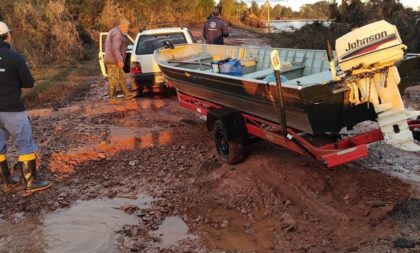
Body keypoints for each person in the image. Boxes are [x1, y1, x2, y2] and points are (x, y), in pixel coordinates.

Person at [0, 21, 51, 193]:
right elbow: (29, 83)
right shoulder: (15, 58)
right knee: (25, 144)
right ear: (8, 36)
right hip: (12, 109)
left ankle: (6, 183)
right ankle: (30, 182)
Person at [104, 18, 136, 102]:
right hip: (113, 60)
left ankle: (127, 94)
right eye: (127, 27)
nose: (127, 29)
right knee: (113, 78)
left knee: (121, 77)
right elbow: (115, 49)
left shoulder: (113, 31)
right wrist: (120, 60)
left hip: (112, 59)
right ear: (122, 26)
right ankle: (112, 98)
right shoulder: (117, 34)